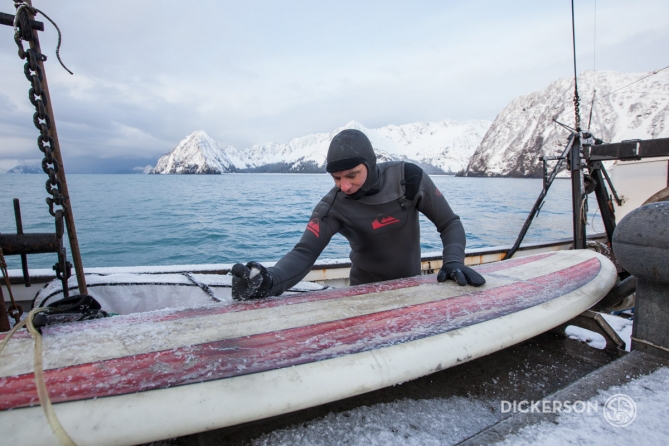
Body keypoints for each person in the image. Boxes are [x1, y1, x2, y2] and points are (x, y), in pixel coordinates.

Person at [231, 129, 485, 300]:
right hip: (362, 296)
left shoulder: (408, 179)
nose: (344, 186)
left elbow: (449, 223)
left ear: (370, 164)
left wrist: (453, 262)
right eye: (336, 178)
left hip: (411, 289)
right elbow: (304, 252)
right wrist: (268, 281)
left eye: (352, 175)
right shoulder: (332, 206)